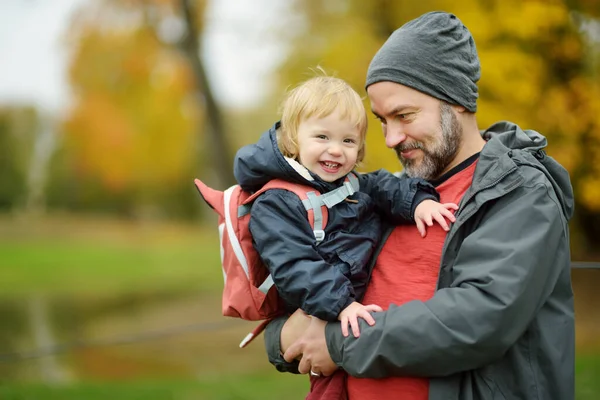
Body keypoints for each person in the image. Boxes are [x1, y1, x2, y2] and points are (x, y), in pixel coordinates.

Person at [264, 11, 575, 400]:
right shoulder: (393, 193)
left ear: (456, 101)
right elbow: (314, 283)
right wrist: (279, 339)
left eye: (404, 116)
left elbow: (479, 318)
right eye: (381, 120)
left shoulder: (519, 191)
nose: (391, 138)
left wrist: (337, 343)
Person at [233, 74, 458, 399]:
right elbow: (295, 265)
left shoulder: (349, 183)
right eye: (322, 137)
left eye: (348, 141)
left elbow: (386, 185)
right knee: (329, 387)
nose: (336, 150)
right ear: (294, 139)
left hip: (349, 310)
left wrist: (419, 202)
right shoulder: (278, 201)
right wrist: (341, 306)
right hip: (320, 310)